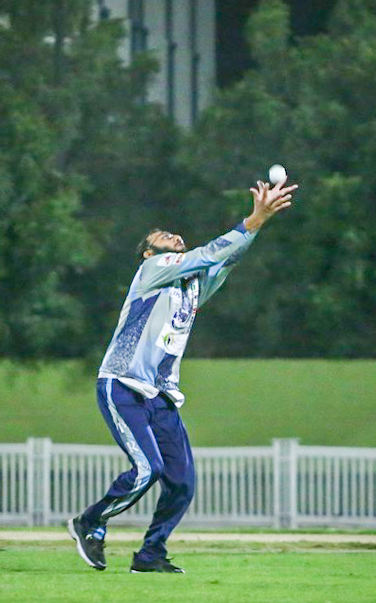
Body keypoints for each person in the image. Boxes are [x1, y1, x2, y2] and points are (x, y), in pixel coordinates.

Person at [68, 177, 298, 573]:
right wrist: (254, 217)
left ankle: (150, 555)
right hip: (122, 384)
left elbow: (224, 258)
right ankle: (91, 522)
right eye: (162, 236)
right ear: (147, 253)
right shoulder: (151, 270)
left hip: (159, 395)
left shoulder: (191, 287)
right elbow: (208, 253)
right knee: (148, 469)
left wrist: (260, 222)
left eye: (175, 234)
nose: (174, 236)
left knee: (182, 481)